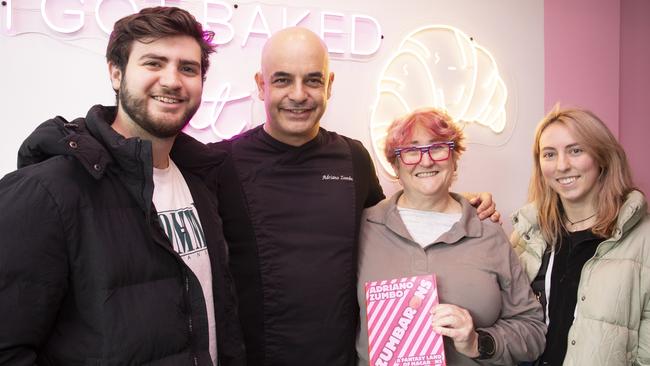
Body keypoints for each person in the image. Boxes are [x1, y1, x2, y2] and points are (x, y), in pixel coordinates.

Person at [171, 27, 498, 365]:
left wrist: (454, 205)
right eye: (282, 80)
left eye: (312, 80)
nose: (298, 95)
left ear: (329, 84)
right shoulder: (220, 164)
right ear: (260, 85)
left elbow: (392, 229)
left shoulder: (352, 157)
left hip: (341, 356)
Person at [0, 7, 244, 365]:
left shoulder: (203, 181)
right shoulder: (47, 192)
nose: (173, 81)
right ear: (116, 73)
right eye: (153, 63)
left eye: (187, 68)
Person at [356, 108, 545, 365]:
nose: (426, 161)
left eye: (437, 148)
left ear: (454, 159)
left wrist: (478, 342)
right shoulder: (363, 228)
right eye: (411, 151)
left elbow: (533, 329)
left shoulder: (488, 233)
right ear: (395, 165)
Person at [511, 106, 650, 365]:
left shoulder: (643, 240)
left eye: (575, 151)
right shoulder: (529, 235)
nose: (562, 166)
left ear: (602, 156)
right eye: (549, 154)